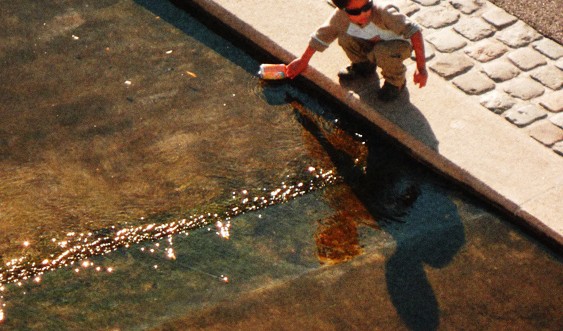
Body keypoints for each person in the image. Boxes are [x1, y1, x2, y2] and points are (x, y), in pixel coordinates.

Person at [286, 0, 428, 102]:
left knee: (382, 52)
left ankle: (396, 82)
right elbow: (322, 36)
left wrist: (421, 68)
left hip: (400, 45)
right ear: (343, 10)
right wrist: (303, 60)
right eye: (356, 11)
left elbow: (415, 32)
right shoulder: (340, 17)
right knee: (345, 37)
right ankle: (363, 66)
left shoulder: (384, 12)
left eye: (367, 6)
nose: (364, 13)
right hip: (372, 41)